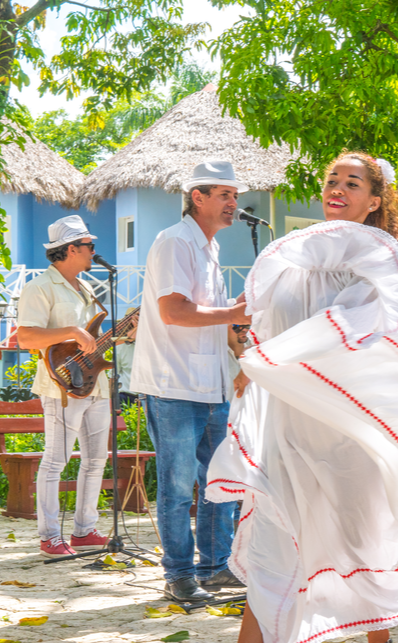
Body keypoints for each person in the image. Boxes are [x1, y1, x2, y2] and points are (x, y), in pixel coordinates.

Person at [191, 153, 398, 643]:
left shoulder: (378, 260)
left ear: (374, 200)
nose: (337, 189)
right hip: (289, 422)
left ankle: (379, 641)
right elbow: (268, 328)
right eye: (331, 180)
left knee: (361, 536)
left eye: (352, 183)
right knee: (278, 533)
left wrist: (281, 354)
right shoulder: (290, 259)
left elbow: (363, 328)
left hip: (350, 424)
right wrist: (255, 366)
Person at [130, 160, 252, 603]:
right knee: (179, 486)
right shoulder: (174, 243)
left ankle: (216, 568)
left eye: (235, 196)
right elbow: (174, 312)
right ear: (197, 197)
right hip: (173, 385)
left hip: (213, 385)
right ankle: (179, 574)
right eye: (224, 195)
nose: (234, 204)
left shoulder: (210, 248)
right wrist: (235, 312)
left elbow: (214, 319)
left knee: (220, 480)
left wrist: (243, 351)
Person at [16, 216, 112, 558]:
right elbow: (26, 336)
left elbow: (89, 341)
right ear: (71, 249)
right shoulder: (39, 287)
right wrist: (72, 331)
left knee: (96, 460)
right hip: (62, 386)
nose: (94, 252)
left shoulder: (84, 287)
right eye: (89, 246)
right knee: (56, 461)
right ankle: (50, 536)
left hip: (95, 384)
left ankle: (85, 530)